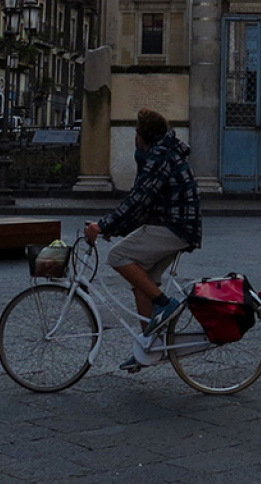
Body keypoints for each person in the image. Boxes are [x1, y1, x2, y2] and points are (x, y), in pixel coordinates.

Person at [83, 108, 202, 370]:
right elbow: (143, 206)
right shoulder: (164, 151)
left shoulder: (159, 157)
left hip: (174, 227)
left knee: (118, 256)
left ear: (142, 136)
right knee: (142, 282)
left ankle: (165, 304)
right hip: (178, 225)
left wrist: (102, 225)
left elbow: (137, 200)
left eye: (136, 133)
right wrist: (116, 227)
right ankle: (148, 347)